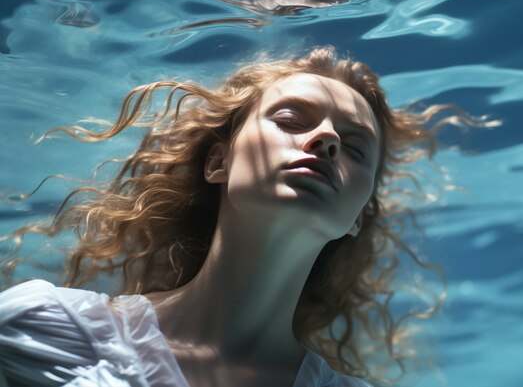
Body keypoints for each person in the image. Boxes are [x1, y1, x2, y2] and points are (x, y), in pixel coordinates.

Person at [0, 47, 489, 387]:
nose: (325, 140)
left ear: (359, 216)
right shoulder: (41, 329)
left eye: (355, 146)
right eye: (291, 120)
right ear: (218, 162)